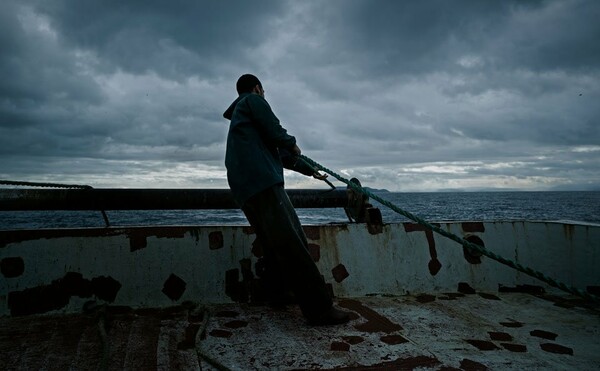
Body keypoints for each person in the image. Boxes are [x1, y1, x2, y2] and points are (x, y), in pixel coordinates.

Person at [223, 74, 351, 326]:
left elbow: (277, 151)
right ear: (258, 88)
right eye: (263, 91)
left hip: (244, 188)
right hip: (263, 181)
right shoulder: (252, 100)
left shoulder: (243, 123)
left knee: (273, 243)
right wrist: (293, 144)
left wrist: (308, 169)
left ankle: (279, 293)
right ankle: (319, 309)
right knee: (293, 242)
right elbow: (277, 134)